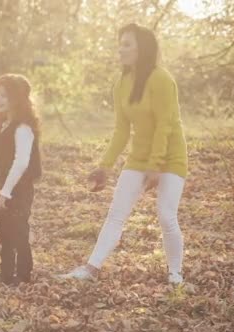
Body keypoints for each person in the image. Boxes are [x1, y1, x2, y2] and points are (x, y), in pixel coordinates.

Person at [62, 23, 188, 285]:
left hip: (171, 157)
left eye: (127, 44)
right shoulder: (121, 83)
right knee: (116, 214)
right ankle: (91, 269)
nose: (121, 49)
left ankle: (175, 274)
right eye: (120, 43)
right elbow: (121, 130)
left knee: (166, 216)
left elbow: (165, 123)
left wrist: (156, 165)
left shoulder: (162, 79)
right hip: (139, 158)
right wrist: (105, 167)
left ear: (143, 49)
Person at [0, 74, 42, 285]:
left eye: (5, 96)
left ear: (16, 99)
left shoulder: (23, 128)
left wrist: (6, 190)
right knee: (4, 232)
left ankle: (23, 274)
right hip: (4, 188)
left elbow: (21, 162)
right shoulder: (3, 125)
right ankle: (6, 273)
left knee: (18, 231)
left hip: (19, 188)